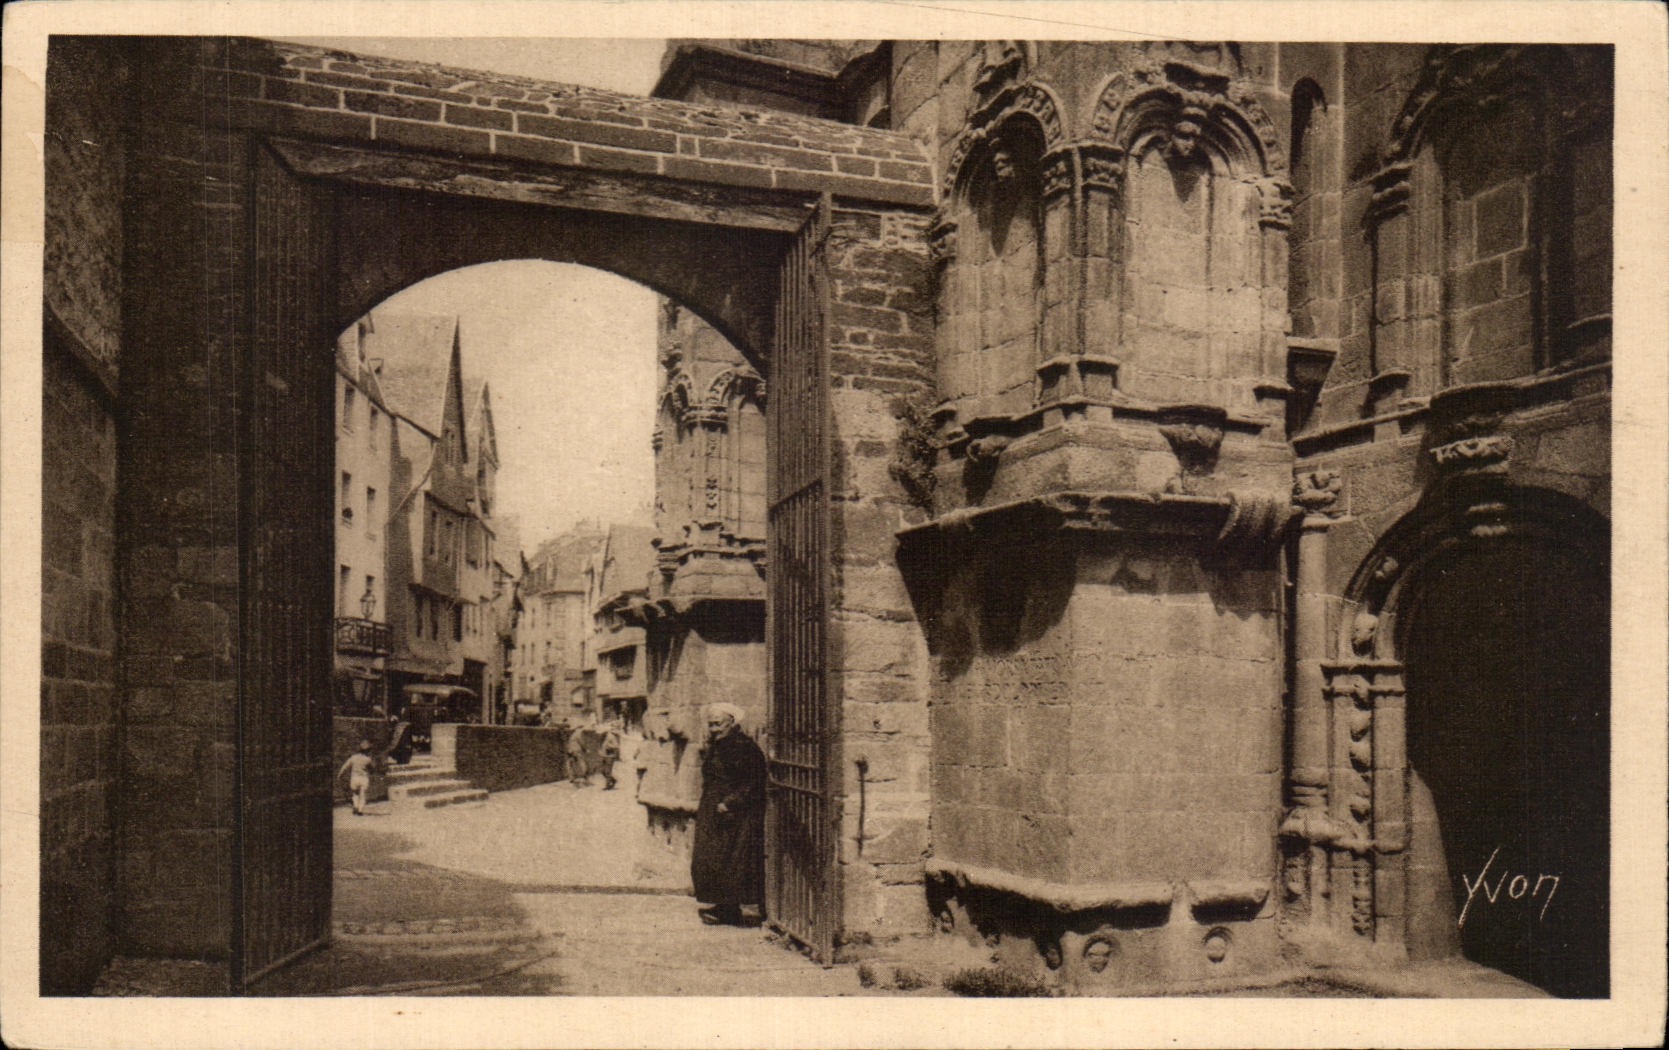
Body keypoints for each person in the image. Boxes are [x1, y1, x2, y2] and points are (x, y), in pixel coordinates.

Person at [690, 703, 766, 927]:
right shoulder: (718, 744)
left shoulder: (743, 746)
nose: (714, 729)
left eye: (718, 724)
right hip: (713, 809)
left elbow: (753, 780)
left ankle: (730, 909)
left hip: (733, 814)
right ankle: (721, 905)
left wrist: (730, 803)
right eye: (711, 724)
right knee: (710, 859)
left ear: (732, 723)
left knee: (731, 860)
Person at [337, 739, 376, 816]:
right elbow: (372, 770)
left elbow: (345, 766)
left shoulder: (353, 757)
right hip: (364, 779)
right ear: (368, 750)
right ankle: (360, 810)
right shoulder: (368, 759)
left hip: (354, 778)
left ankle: (355, 806)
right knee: (363, 795)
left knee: (355, 794)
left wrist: (340, 774)